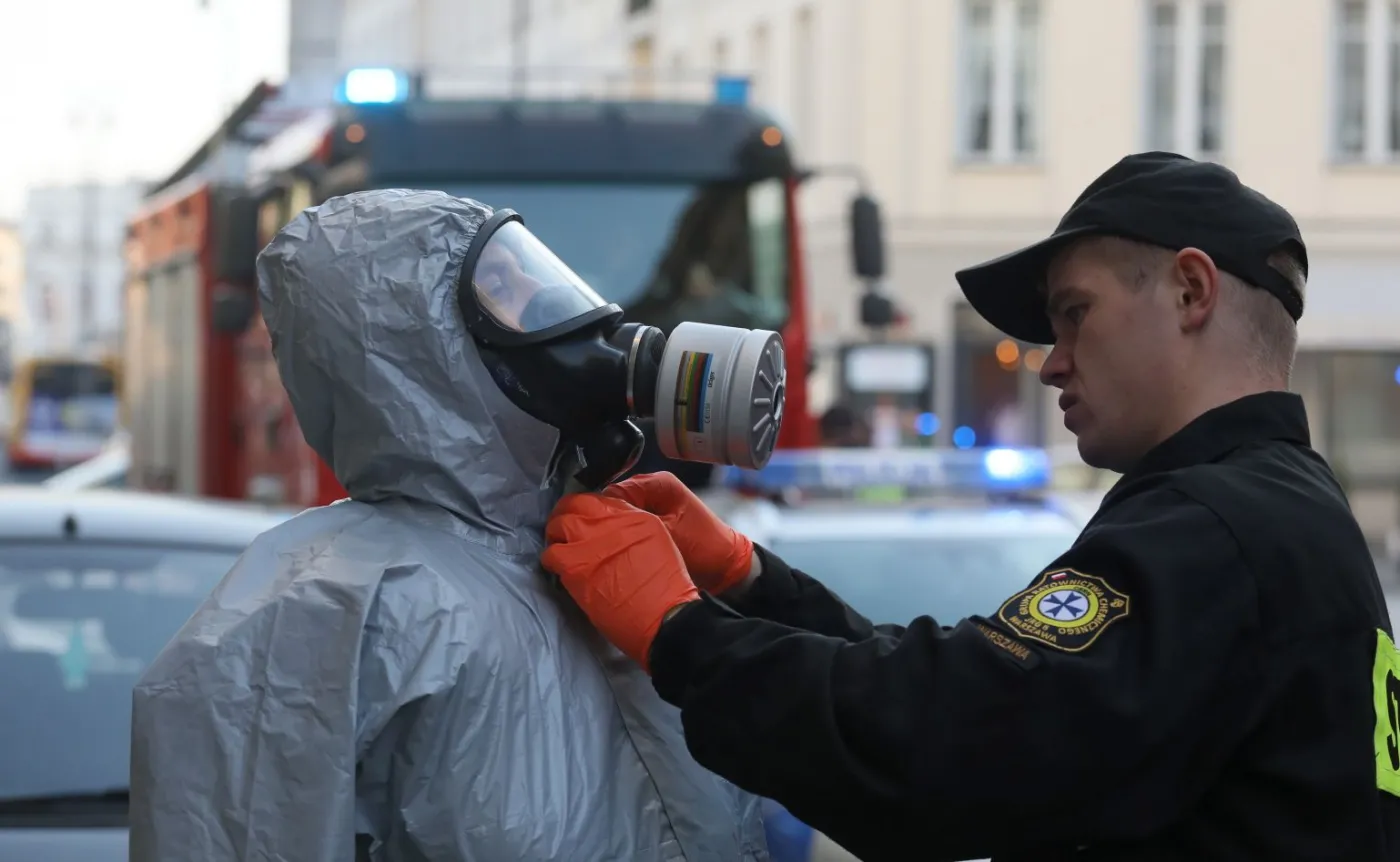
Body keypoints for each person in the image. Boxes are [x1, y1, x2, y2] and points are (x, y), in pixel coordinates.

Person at [540, 152, 1400, 860]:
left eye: (1074, 314)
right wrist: (753, 581)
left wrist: (682, 635)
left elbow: (949, 749)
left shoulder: (1212, 527)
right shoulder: (1282, 511)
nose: (1051, 362)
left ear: (1190, 291)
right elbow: (988, 690)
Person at [128, 189, 770, 861]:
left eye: (534, 268)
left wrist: (741, 592)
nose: (546, 297)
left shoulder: (604, 564)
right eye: (500, 284)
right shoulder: (325, 608)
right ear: (414, 341)